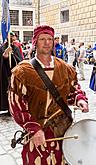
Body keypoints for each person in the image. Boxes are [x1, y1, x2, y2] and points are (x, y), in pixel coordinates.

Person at [8, 25, 89, 165]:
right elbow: (16, 105)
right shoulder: (22, 72)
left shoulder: (65, 68)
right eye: (42, 39)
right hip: (38, 131)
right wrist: (33, 128)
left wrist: (79, 99)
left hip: (62, 130)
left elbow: (73, 90)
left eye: (50, 39)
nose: (47, 43)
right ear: (35, 42)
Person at [0, 32, 23, 113]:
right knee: (7, 90)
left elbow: (19, 59)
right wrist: (5, 55)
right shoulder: (2, 47)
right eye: (11, 36)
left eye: (13, 36)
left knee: (15, 91)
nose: (13, 37)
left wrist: (12, 55)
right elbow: (2, 60)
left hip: (14, 73)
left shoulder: (16, 48)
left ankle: (14, 107)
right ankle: (8, 107)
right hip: (5, 74)